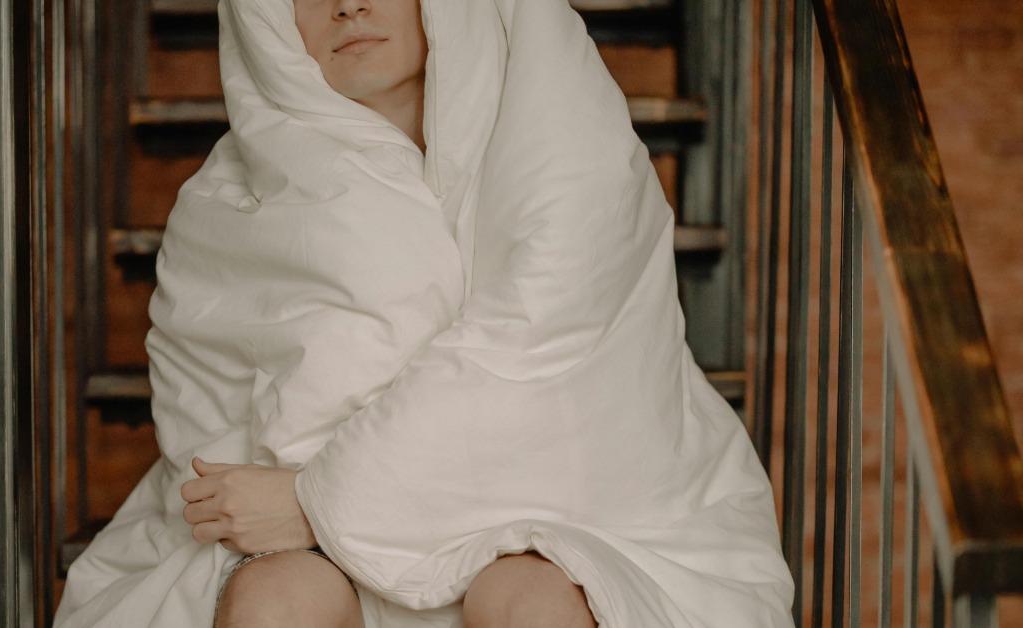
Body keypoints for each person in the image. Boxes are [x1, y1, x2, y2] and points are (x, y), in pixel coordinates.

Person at [54, 1, 795, 627]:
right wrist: (312, 519)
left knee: (530, 598)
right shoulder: (221, 208)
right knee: (275, 602)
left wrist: (320, 501)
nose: (348, 5)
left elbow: (549, 361)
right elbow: (217, 448)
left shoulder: (567, 136)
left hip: (581, 507)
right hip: (311, 551)